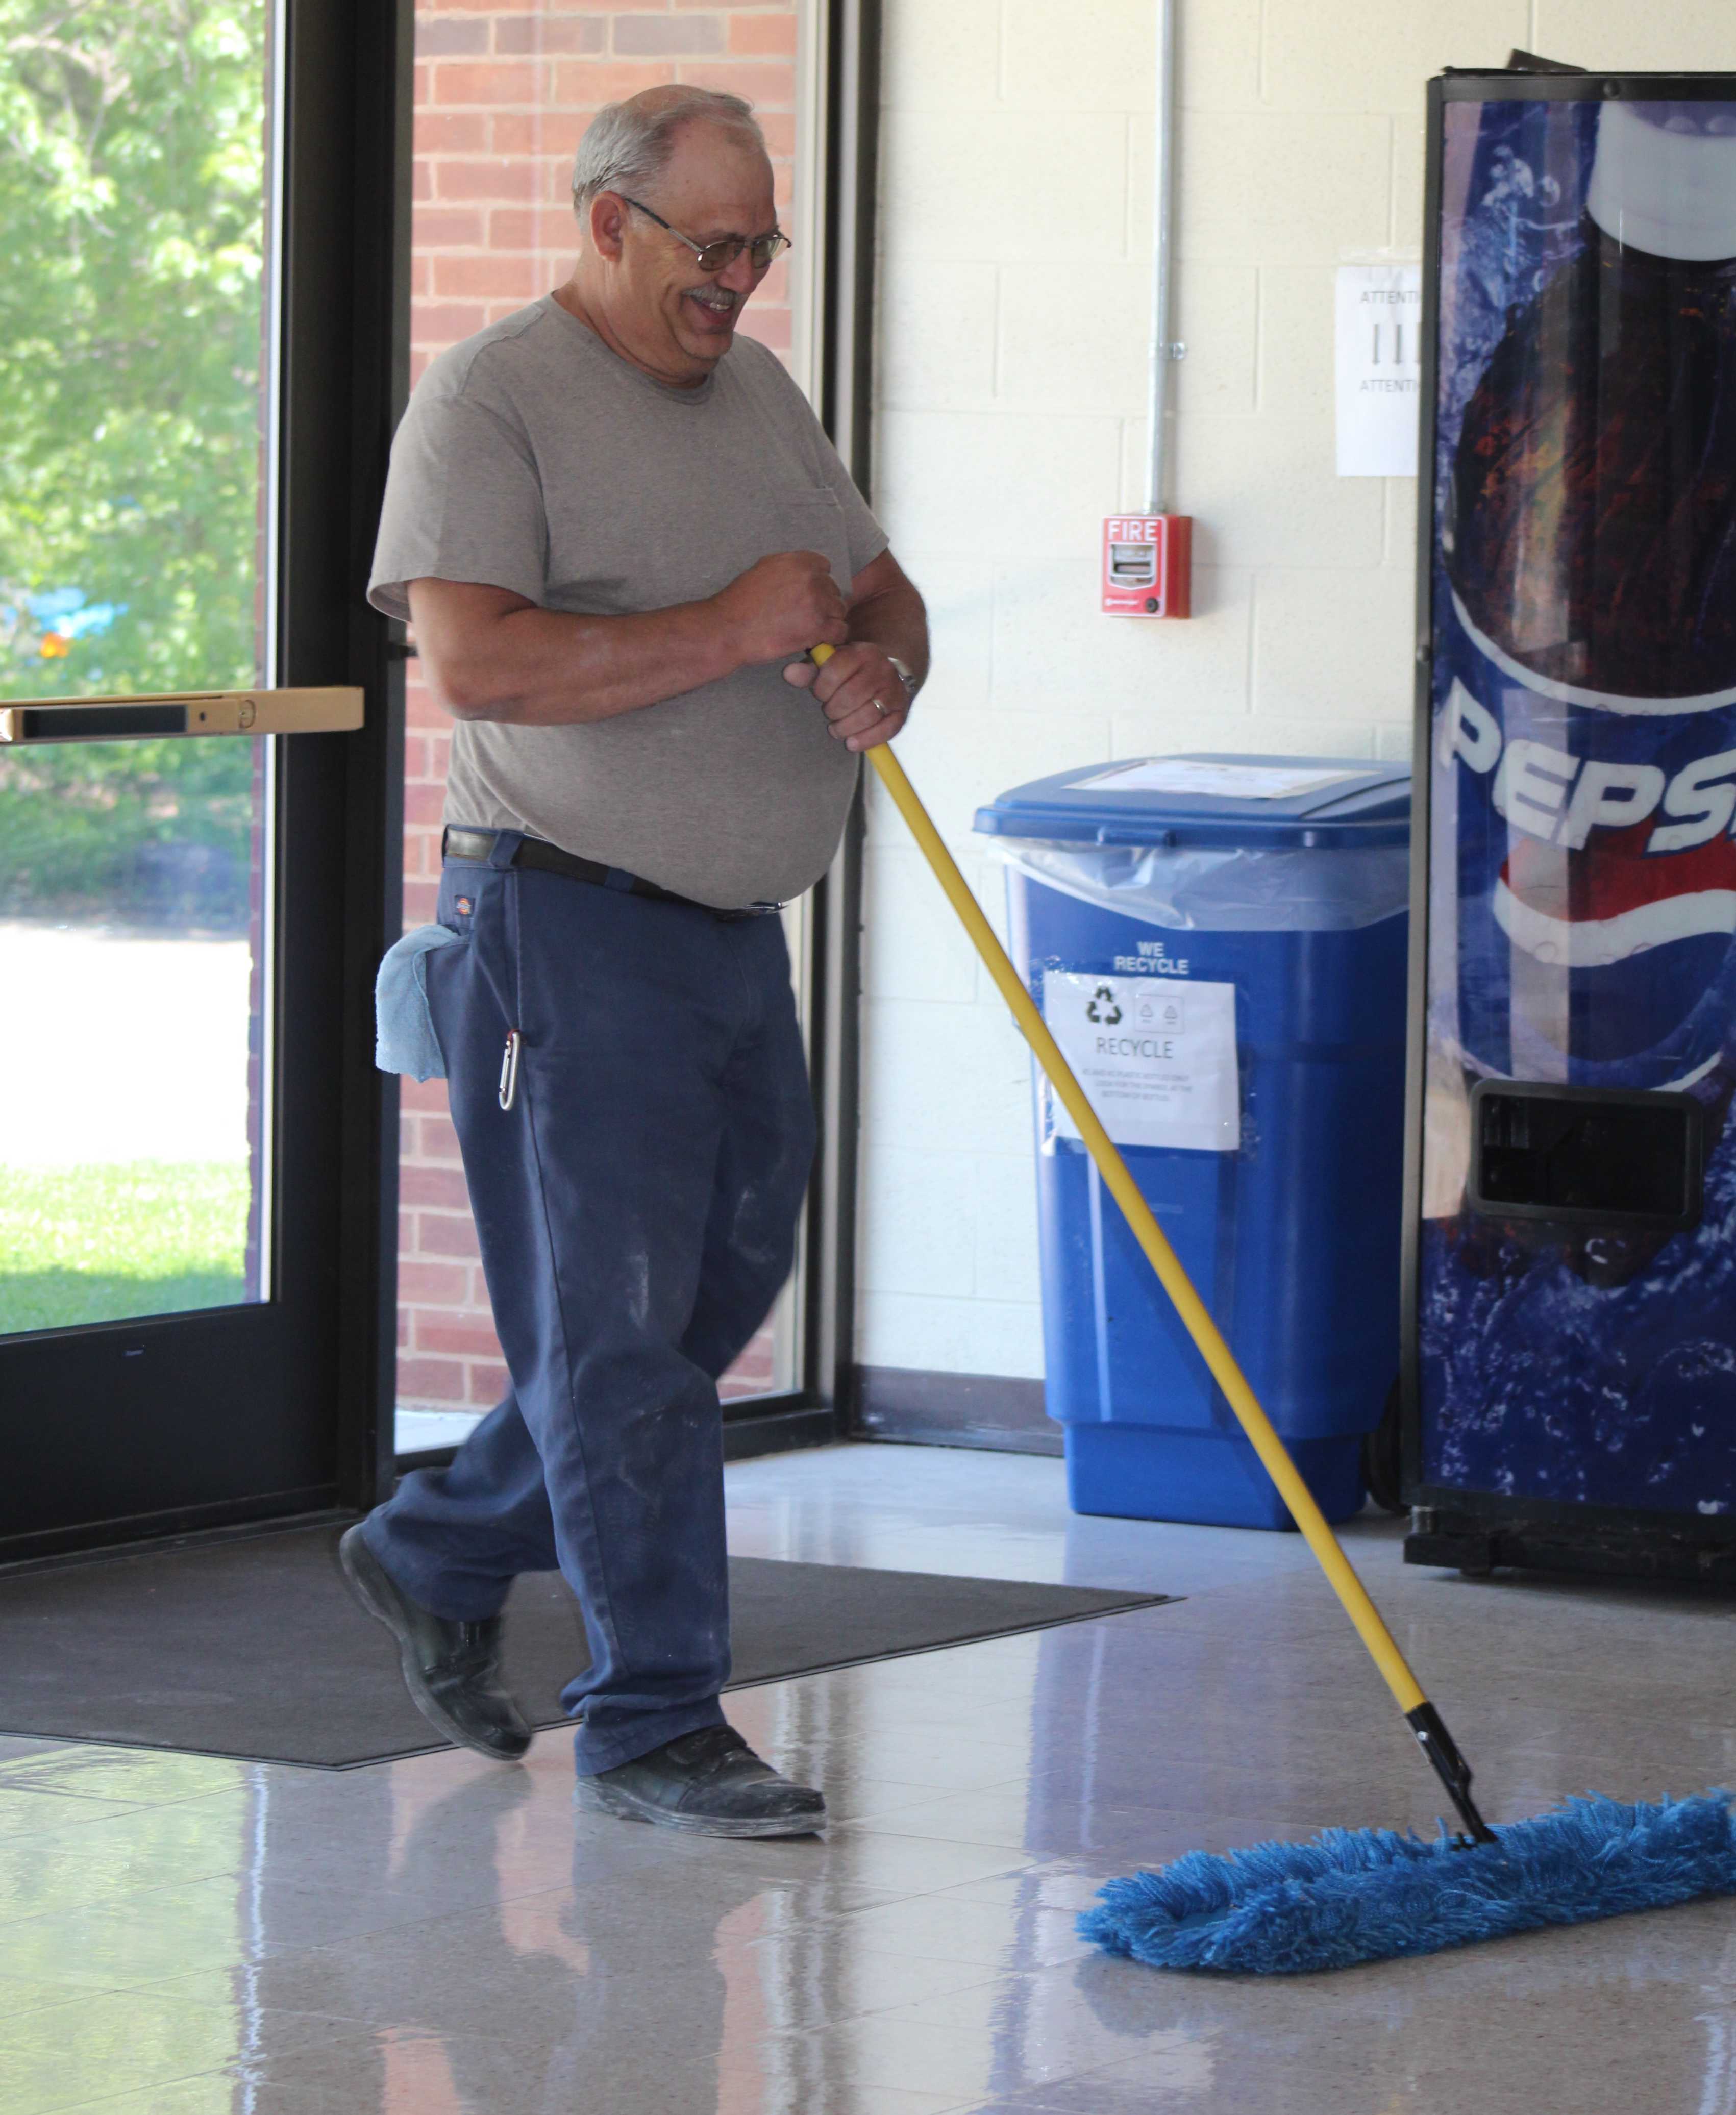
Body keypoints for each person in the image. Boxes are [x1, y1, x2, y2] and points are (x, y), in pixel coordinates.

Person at [342, 85, 927, 1836]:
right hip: (563, 925)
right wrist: (734, 633)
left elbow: (876, 582)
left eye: (761, 246)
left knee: (714, 1294)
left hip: (736, 934)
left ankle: (441, 1541)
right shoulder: (491, 398)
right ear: (608, 224)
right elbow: (482, 666)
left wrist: (881, 665)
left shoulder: (757, 393)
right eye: (711, 244)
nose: (741, 280)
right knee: (614, 1345)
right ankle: (655, 1717)